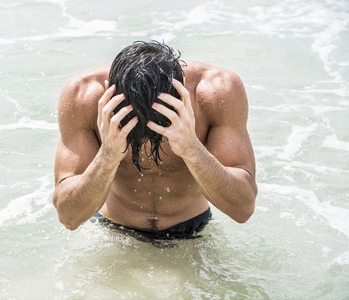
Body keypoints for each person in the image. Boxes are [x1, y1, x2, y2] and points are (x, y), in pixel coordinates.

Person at [52, 41, 257, 239]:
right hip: (112, 232)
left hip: (194, 231)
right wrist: (108, 156)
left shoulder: (217, 91)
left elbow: (243, 209)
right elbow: (68, 216)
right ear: (109, 93)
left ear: (181, 92)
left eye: (162, 126)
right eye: (134, 126)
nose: (148, 142)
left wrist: (191, 148)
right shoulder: (83, 94)